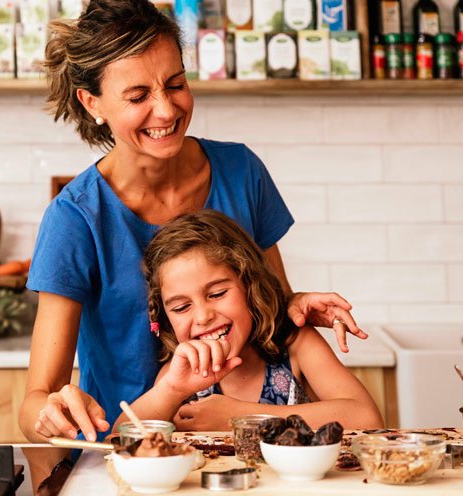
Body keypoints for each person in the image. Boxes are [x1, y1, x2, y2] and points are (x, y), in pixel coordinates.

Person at [19, 0, 367, 444]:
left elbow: (267, 311)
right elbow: (36, 400)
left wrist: (294, 303)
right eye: (138, 96)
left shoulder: (241, 172)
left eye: (175, 84)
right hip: (122, 451)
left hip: (235, 452)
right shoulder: (75, 217)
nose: (165, 111)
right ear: (92, 103)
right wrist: (50, 413)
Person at [115, 210, 383, 430]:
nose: (203, 316)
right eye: (182, 307)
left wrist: (238, 418)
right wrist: (171, 390)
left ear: (250, 286)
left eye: (217, 293)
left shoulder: (295, 344)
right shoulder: (183, 372)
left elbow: (366, 418)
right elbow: (119, 441)